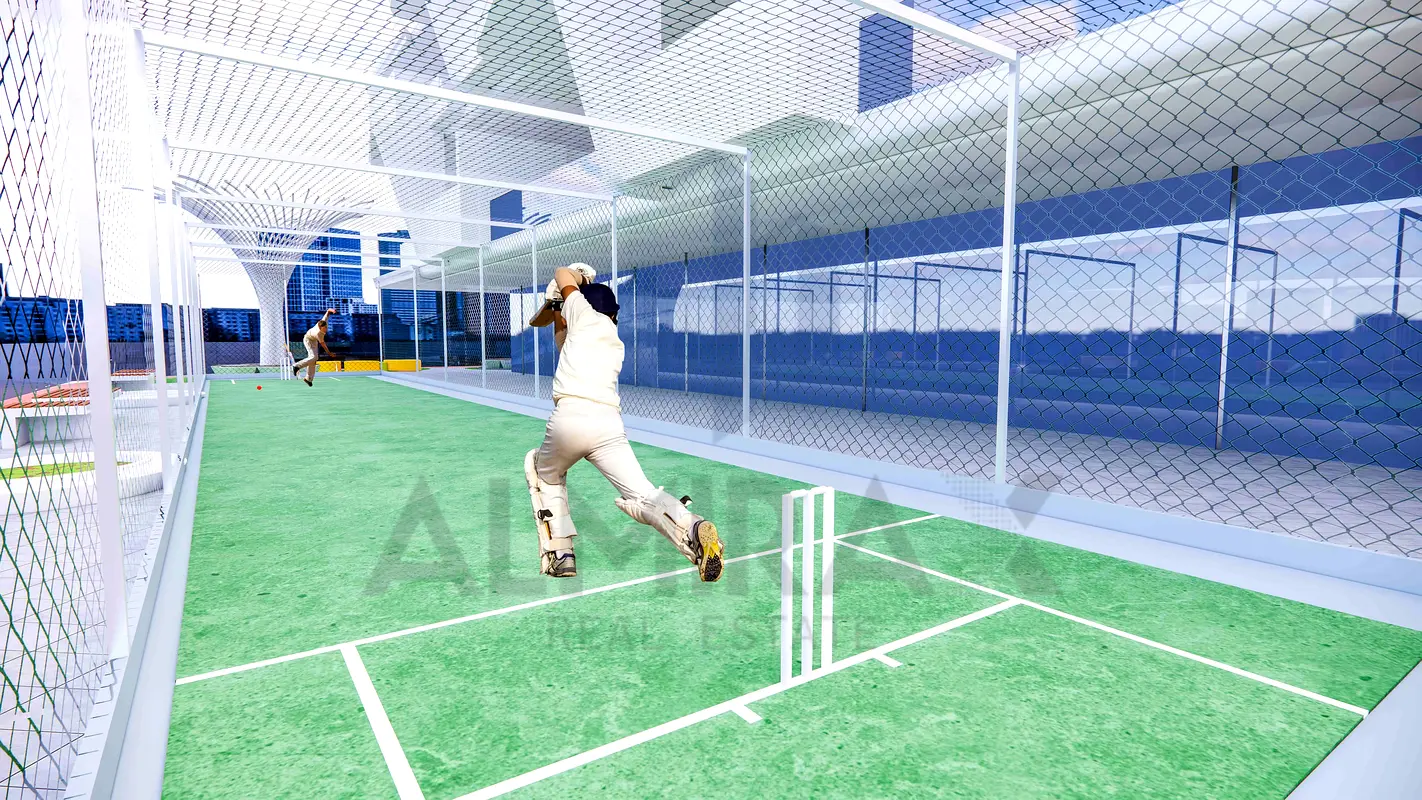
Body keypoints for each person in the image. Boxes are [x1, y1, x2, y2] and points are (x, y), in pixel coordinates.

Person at [525, 262, 724, 581]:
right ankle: (693, 527)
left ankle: (561, 554)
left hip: (571, 420)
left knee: (542, 472)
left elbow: (562, 272)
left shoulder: (585, 316)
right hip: (607, 426)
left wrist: (578, 280)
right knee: (643, 493)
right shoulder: (612, 341)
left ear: (583, 304)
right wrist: (559, 309)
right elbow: (564, 344)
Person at [292, 309, 336, 386]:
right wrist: (329, 353)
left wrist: (332, 310)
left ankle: (308, 379)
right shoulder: (318, 333)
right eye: (324, 328)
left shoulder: (323, 322)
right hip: (308, 340)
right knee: (313, 357)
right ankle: (297, 366)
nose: (326, 329)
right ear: (320, 327)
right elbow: (323, 345)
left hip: (314, 340)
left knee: (314, 359)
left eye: (326, 327)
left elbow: (328, 312)